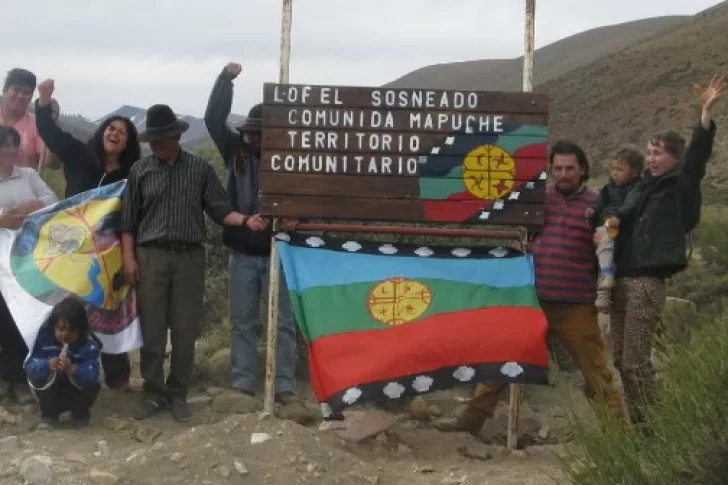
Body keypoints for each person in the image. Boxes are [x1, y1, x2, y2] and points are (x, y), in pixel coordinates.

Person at [434, 141, 625, 434]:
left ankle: (620, 434)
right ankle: (469, 423)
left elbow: (609, 247)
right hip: (531, 299)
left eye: (569, 168)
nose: (563, 174)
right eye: (557, 168)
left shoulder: (596, 204)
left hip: (575, 304)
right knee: (500, 360)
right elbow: (518, 234)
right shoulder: (537, 202)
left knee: (596, 371)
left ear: (583, 169)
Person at [121, 104, 267, 422]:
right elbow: (128, 221)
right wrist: (129, 259)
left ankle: (178, 394)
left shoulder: (200, 169)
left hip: (189, 257)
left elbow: (219, 209)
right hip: (150, 257)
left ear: (175, 136)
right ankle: (153, 391)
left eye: (161, 139)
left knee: (185, 329)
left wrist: (246, 221)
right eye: (153, 140)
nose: (156, 145)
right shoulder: (140, 171)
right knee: (153, 328)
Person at [605, 74, 724, 427]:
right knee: (620, 359)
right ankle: (641, 421)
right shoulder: (642, 187)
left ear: (674, 158)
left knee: (635, 362)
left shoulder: (680, 184)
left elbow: (698, 156)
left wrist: (705, 114)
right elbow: (619, 213)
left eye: (657, 153)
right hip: (621, 279)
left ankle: (653, 428)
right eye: (649, 152)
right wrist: (606, 221)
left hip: (647, 281)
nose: (651, 158)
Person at [204, 62, 310, 422]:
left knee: (281, 323)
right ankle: (244, 384)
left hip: (280, 251)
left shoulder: (290, 158)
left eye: (261, 133)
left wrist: (299, 218)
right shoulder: (234, 150)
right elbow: (212, 119)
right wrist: (225, 81)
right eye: (251, 132)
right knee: (243, 320)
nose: (254, 138)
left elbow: (311, 196)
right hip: (241, 250)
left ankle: (283, 387)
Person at [34, 78, 140, 390]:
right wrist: (43, 101)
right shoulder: (79, 154)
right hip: (71, 251)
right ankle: (59, 372)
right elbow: (49, 133)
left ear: (127, 143)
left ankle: (117, 373)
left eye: (122, 131)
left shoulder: (133, 173)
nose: (115, 132)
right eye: (111, 127)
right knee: (68, 310)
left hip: (110, 255)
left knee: (109, 309)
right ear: (102, 132)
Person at [0, 126, 58, 405]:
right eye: (4, 145)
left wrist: (30, 206)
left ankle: (18, 380)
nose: (10, 150)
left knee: (18, 318)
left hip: (24, 260)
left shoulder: (29, 175)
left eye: (13, 144)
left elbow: (53, 201)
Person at [25, 297, 102, 430]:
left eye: (71, 330)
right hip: (53, 389)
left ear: (81, 330)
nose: (65, 334)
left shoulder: (88, 345)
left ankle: (80, 415)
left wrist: (73, 369)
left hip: (74, 390)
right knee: (37, 380)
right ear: (53, 327)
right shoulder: (43, 341)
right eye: (61, 329)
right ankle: (49, 416)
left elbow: (93, 373)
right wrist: (47, 364)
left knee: (93, 386)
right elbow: (30, 367)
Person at [586, 146, 644, 311]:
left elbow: (630, 205)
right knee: (602, 248)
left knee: (605, 242)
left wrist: (618, 217)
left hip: (621, 226)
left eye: (620, 169)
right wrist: (593, 210)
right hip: (606, 223)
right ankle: (604, 287)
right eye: (613, 169)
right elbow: (600, 202)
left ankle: (607, 278)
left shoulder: (637, 189)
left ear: (634, 172)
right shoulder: (608, 188)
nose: (615, 173)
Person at [0, 68, 60, 172]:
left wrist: (51, 125)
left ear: (31, 97)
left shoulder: (38, 124)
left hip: (20, 185)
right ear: (5, 91)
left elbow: (52, 164)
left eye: (26, 92)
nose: (20, 96)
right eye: (16, 89)